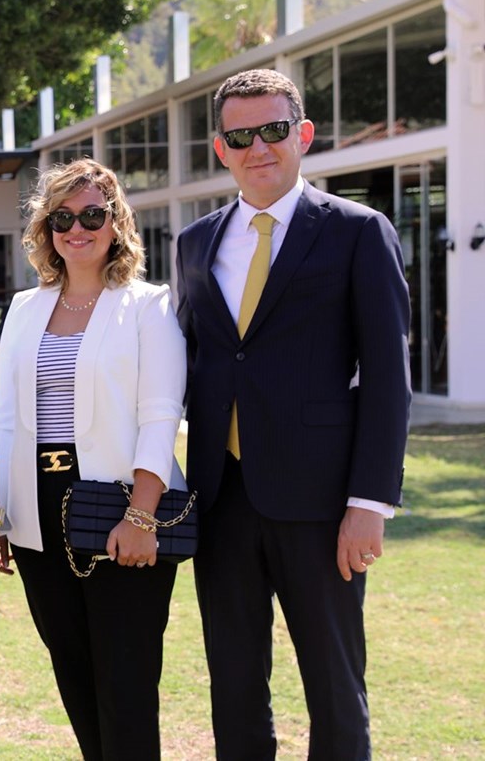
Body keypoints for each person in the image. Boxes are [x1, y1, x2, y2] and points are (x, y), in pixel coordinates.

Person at [175, 68, 411, 759]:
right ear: (221, 149)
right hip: (220, 500)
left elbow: (388, 379)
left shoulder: (358, 232)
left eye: (273, 130)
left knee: (335, 687)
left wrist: (369, 502)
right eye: (240, 136)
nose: (258, 148)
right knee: (234, 685)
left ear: (303, 135)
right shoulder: (195, 243)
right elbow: (189, 362)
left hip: (322, 504)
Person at [0, 157, 187, 758]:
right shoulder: (24, 308)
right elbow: (5, 419)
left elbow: (161, 414)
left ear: (117, 223)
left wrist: (142, 516)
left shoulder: (147, 305)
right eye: (62, 217)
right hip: (38, 514)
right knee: (74, 677)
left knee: (125, 687)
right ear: (46, 228)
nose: (77, 228)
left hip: (119, 506)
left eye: (93, 215)